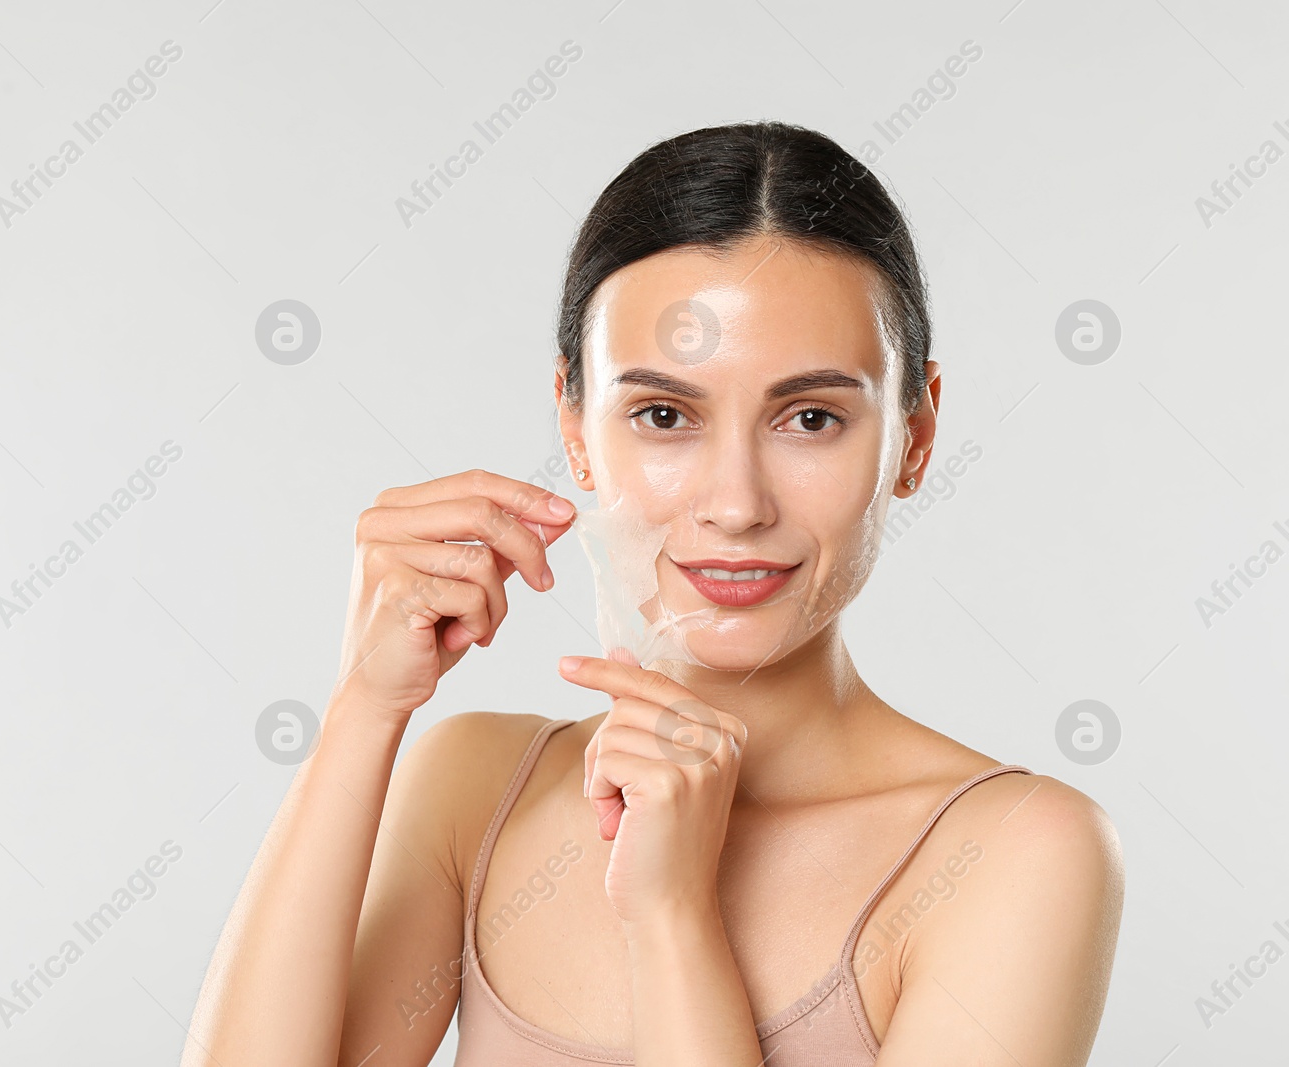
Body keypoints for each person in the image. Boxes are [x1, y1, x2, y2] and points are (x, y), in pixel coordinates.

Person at [181, 121, 1124, 1066]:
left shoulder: (1018, 853)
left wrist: (673, 918)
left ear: (914, 436)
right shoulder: (472, 789)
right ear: (576, 425)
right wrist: (363, 708)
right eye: (664, 415)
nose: (736, 504)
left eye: (810, 417)